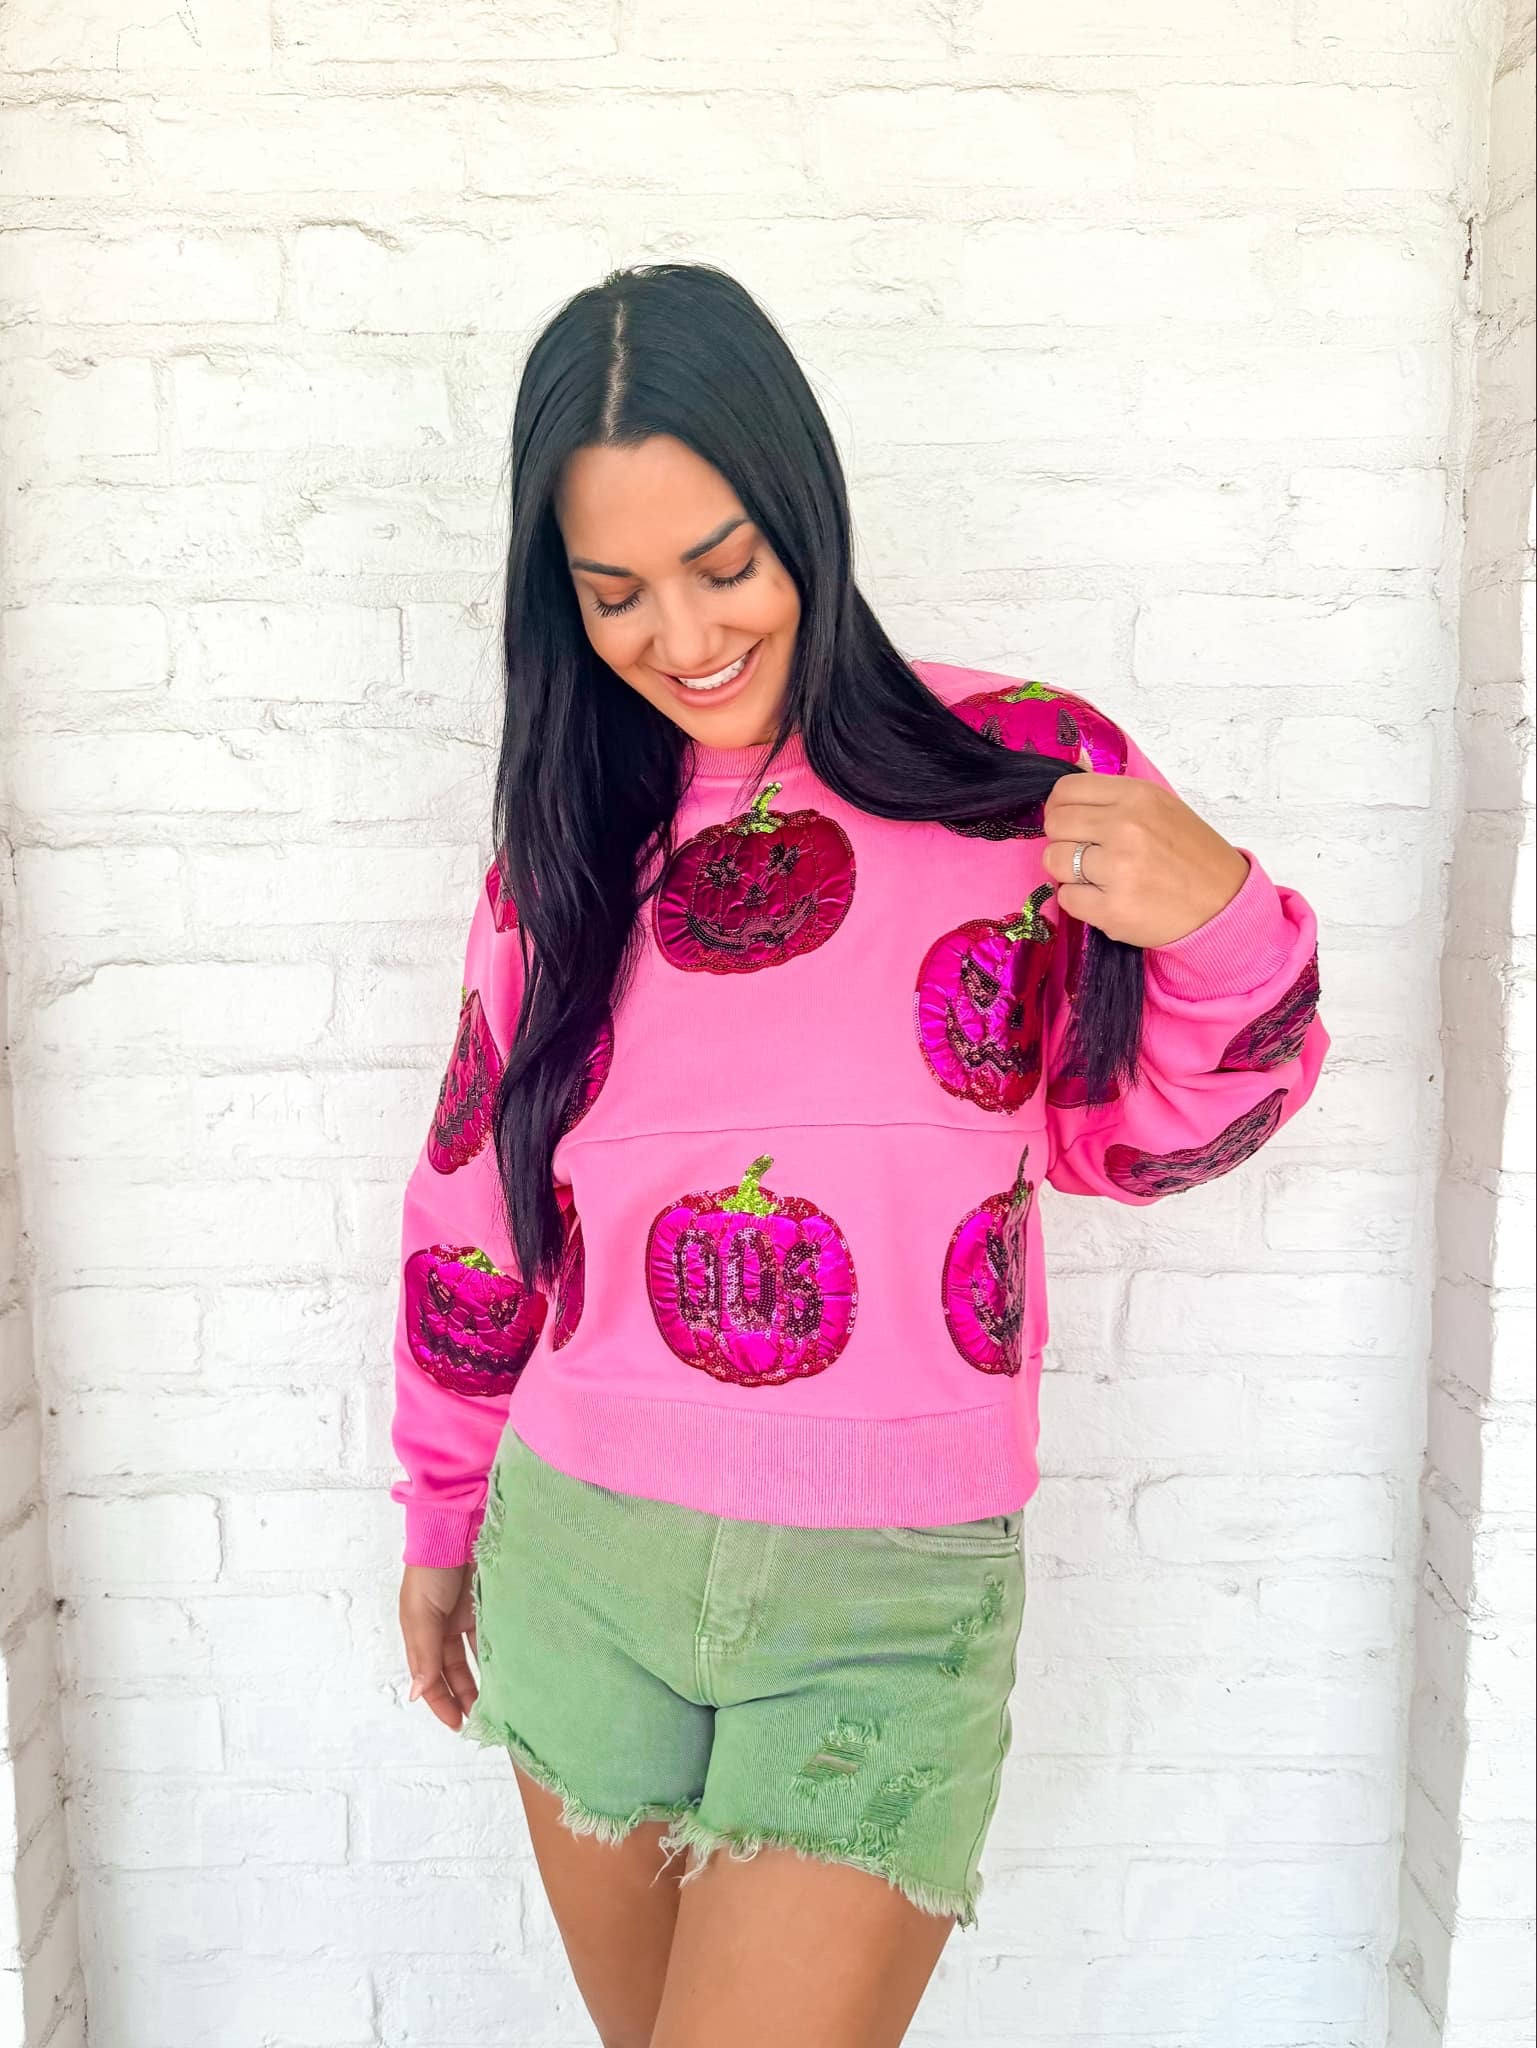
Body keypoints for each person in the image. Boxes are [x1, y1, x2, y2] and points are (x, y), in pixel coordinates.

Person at [389, 262, 1329, 2048]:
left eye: (722, 563)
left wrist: (1221, 922)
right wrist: (442, 1521)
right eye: (613, 593)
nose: (680, 637)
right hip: (578, 1555)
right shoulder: (567, 848)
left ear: (804, 510)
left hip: (882, 1598)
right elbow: (474, 1210)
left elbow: (1139, 1140)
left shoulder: (1019, 774)